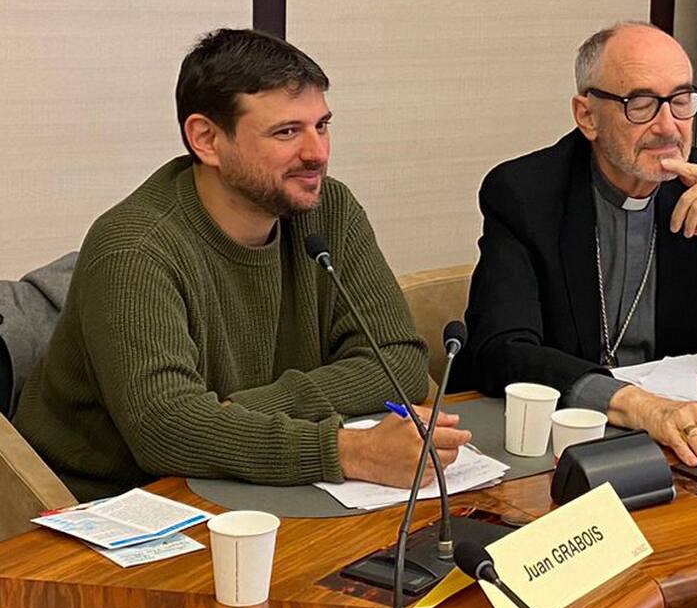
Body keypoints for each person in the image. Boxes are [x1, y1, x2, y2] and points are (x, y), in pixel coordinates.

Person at [14, 29, 470, 501]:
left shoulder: (327, 210)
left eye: (322, 125)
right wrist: (347, 450)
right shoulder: (134, 248)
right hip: (116, 505)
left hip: (257, 485)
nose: (317, 153)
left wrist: (244, 411)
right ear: (207, 139)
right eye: (287, 132)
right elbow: (165, 428)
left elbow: (398, 361)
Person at [452, 21, 697, 471]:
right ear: (587, 115)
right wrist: (639, 406)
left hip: (685, 447)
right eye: (641, 104)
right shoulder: (525, 193)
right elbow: (502, 350)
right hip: (557, 446)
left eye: (681, 101)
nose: (668, 127)